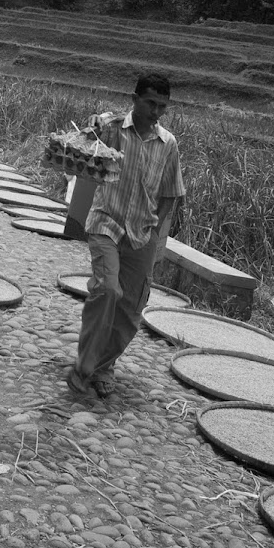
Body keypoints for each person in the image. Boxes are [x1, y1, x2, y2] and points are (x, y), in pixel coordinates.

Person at [67, 72, 185, 400]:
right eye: (150, 103)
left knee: (132, 307)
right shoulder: (113, 128)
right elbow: (82, 146)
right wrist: (93, 126)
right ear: (134, 100)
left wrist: (155, 235)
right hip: (107, 222)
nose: (156, 111)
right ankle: (84, 367)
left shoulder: (168, 144)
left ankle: (104, 366)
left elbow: (170, 194)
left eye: (163, 106)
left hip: (141, 233)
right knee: (107, 290)